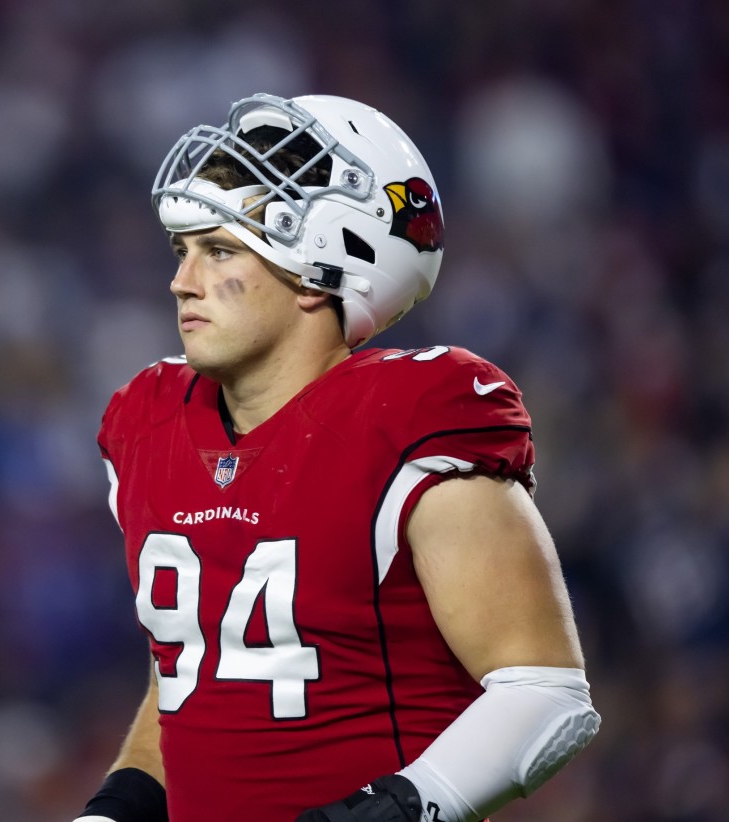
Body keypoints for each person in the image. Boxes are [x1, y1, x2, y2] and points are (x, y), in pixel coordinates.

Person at [74, 93, 600, 822]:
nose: (182, 281)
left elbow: (544, 694)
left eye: (220, 249)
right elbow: (201, 679)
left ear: (324, 260)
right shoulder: (150, 422)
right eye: (182, 250)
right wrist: (117, 808)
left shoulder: (412, 420)